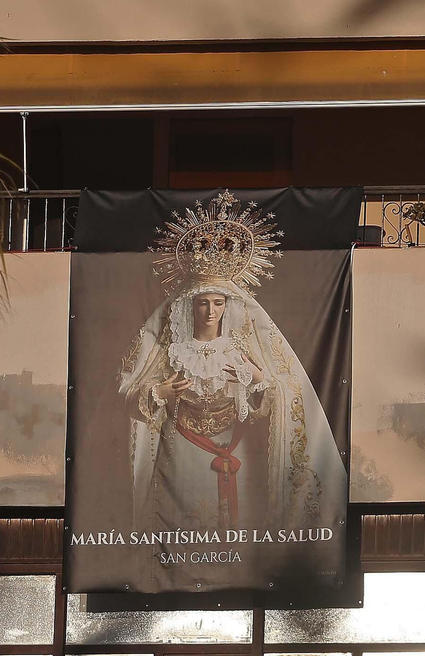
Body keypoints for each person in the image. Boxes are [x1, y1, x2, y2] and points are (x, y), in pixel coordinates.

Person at [118, 192, 345, 536]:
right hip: (182, 454)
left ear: (229, 306)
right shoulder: (170, 348)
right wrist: (159, 391)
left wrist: (257, 381)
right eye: (202, 303)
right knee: (182, 532)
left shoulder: (243, 349)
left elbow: (281, 397)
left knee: (239, 532)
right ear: (188, 307)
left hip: (237, 449)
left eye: (218, 302)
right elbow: (129, 393)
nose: (210, 311)